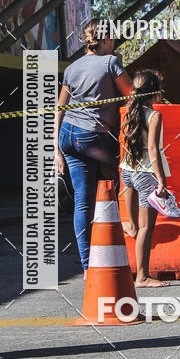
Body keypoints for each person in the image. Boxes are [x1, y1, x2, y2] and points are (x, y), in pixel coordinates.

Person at [55, 20, 133, 275]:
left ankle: (88, 267)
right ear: (106, 39)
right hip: (93, 137)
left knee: (82, 201)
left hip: (68, 136)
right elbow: (132, 96)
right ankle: (130, 229)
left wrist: (56, 150)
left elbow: (60, 109)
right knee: (131, 168)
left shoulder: (72, 68)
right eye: (113, 39)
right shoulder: (111, 62)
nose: (115, 43)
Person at [120, 70, 171, 288]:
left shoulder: (129, 112)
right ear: (156, 93)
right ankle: (142, 277)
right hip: (146, 173)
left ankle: (128, 227)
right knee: (146, 228)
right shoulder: (155, 116)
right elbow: (153, 149)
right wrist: (162, 180)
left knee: (135, 226)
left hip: (127, 170)